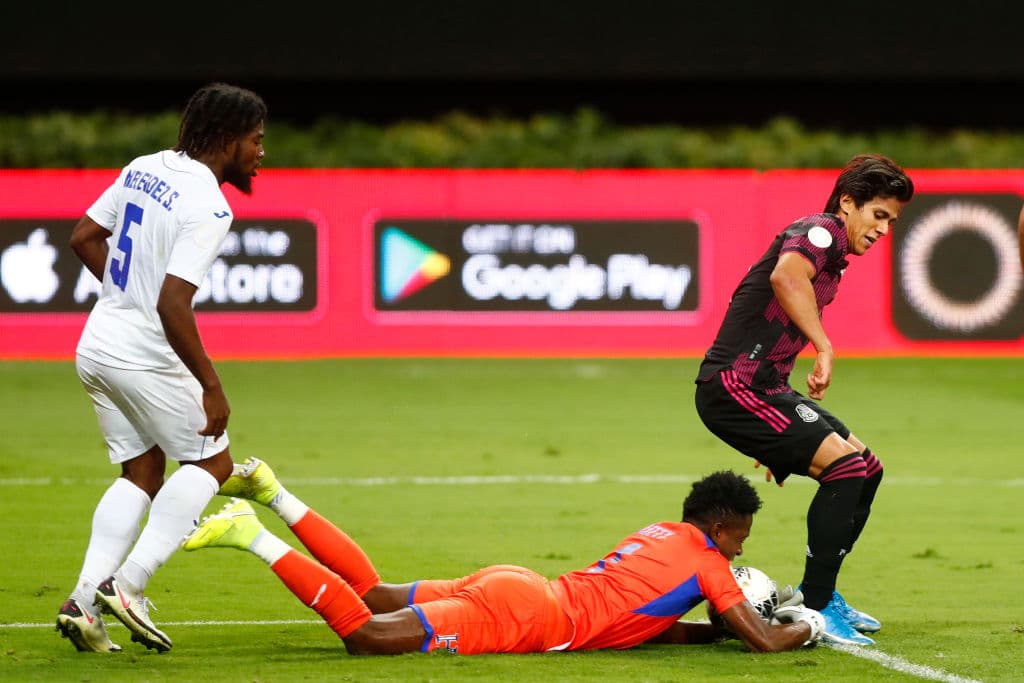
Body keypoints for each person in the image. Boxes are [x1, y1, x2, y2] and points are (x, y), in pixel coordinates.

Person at [182, 458, 825, 655]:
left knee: (375, 592)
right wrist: (807, 627)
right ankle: (252, 534)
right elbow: (765, 642)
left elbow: (646, 621)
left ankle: (273, 493)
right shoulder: (711, 561)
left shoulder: (661, 533)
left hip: (519, 584)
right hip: (530, 619)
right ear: (718, 526)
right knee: (368, 637)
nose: (741, 545)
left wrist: (708, 632)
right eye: (739, 534)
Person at [55, 83, 267, 654]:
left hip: (97, 344)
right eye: (255, 140)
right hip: (144, 354)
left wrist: (127, 295)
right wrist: (211, 384)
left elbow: (82, 237)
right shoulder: (210, 205)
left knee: (143, 471)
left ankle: (81, 603)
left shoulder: (144, 166)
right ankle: (128, 584)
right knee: (212, 462)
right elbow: (174, 303)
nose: (260, 152)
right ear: (227, 139)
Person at [693, 154, 915, 646]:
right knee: (846, 471)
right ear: (848, 203)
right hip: (734, 386)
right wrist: (825, 347)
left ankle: (825, 594)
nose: (883, 229)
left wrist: (781, 437)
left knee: (867, 466)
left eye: (892, 222)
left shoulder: (835, 260)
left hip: (764, 388)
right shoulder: (821, 231)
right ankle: (814, 608)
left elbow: (772, 319)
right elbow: (784, 279)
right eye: (878, 215)